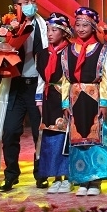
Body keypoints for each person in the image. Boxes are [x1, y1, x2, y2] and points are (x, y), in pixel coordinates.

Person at [0, 0, 49, 192]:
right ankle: (11, 175)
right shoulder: (6, 28)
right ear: (16, 6)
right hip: (16, 85)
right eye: (25, 2)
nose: (30, 5)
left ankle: (42, 174)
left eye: (33, 1)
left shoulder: (45, 25)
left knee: (40, 132)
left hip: (38, 85)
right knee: (10, 131)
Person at [62, 7, 107, 196]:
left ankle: (96, 180)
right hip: (75, 97)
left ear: (93, 27)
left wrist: (104, 102)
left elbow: (105, 77)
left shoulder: (102, 49)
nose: (81, 29)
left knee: (96, 138)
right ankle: (82, 179)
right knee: (77, 139)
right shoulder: (68, 50)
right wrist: (65, 103)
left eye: (85, 25)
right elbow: (65, 79)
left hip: (94, 95)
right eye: (78, 25)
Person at [35, 12, 72, 194]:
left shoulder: (71, 51)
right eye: (48, 30)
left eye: (54, 30)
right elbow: (41, 80)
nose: (50, 33)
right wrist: (39, 101)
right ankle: (55, 177)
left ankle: (68, 176)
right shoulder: (42, 55)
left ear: (64, 32)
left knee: (66, 137)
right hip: (49, 98)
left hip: (66, 97)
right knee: (51, 138)